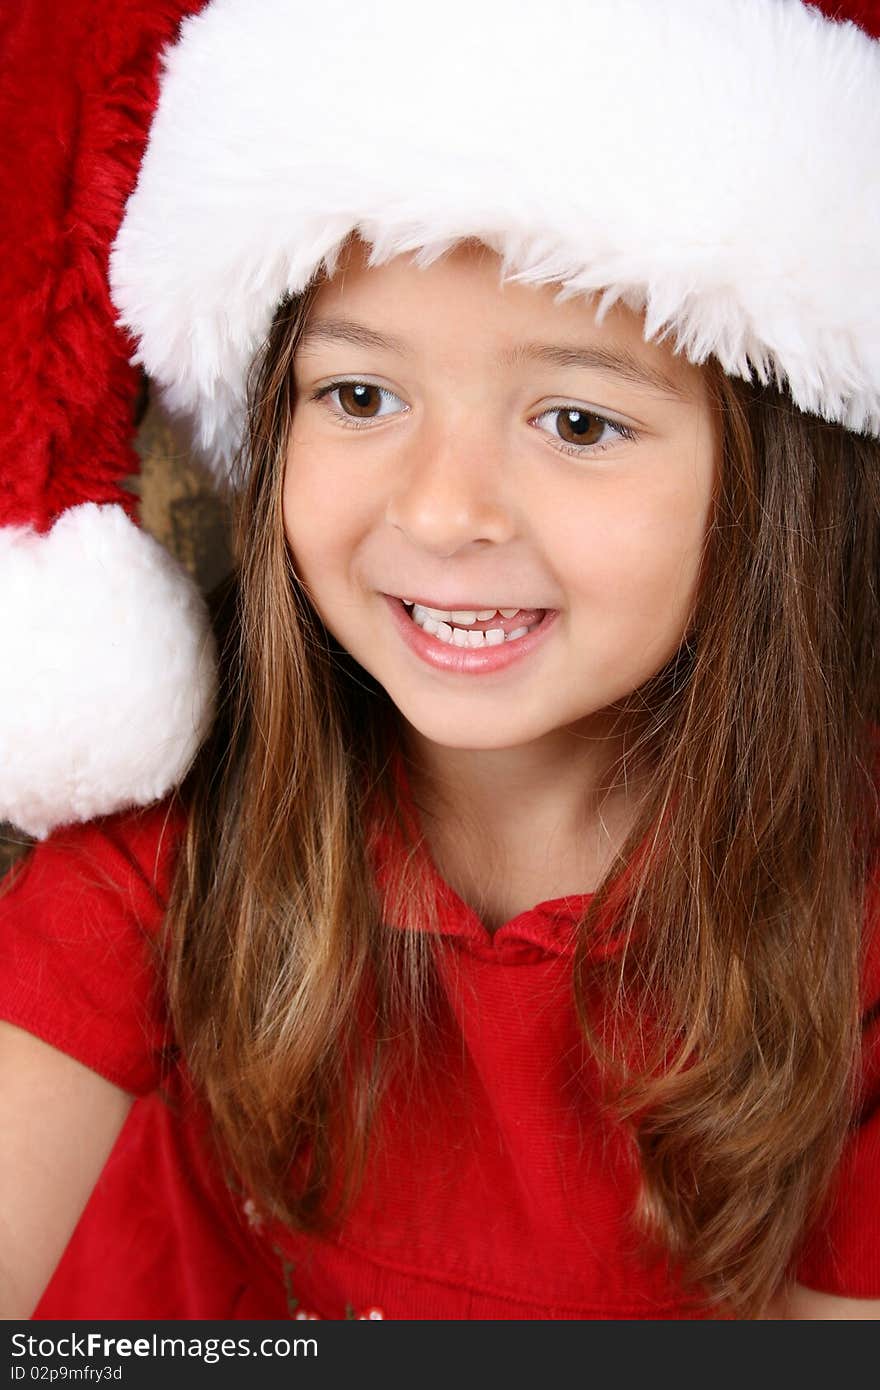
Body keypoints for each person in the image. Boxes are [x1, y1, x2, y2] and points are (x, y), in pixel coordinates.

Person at [1, 0, 879, 1321]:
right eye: (361, 396)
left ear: (768, 487)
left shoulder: (848, 915)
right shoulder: (177, 834)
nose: (440, 511)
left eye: (579, 419)